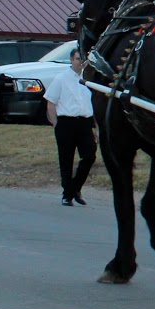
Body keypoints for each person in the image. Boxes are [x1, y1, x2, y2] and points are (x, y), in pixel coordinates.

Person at [46, 48, 97, 206]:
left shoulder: (88, 80)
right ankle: (67, 195)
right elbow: (50, 102)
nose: (80, 62)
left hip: (85, 122)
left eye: (82, 60)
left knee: (89, 155)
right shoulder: (61, 78)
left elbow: (94, 105)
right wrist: (56, 124)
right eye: (76, 59)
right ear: (71, 60)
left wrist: (96, 128)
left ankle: (75, 188)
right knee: (66, 160)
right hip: (66, 122)